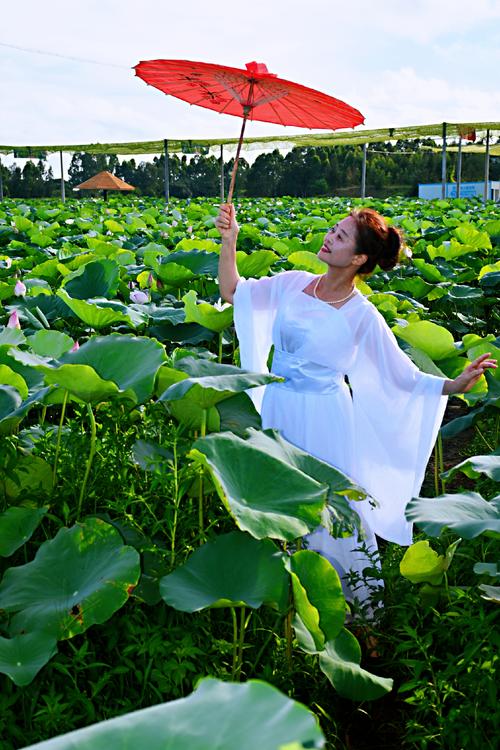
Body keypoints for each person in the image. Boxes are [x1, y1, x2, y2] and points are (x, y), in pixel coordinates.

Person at [215, 203, 496, 612]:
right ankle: (279, 598)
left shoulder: (362, 316)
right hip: (278, 408)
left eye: (341, 236)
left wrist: (455, 384)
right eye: (333, 230)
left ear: (359, 258)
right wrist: (229, 241)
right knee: (274, 501)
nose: (329, 237)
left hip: (324, 419)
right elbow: (233, 293)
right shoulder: (293, 284)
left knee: (328, 508)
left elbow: (401, 375)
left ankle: (341, 606)